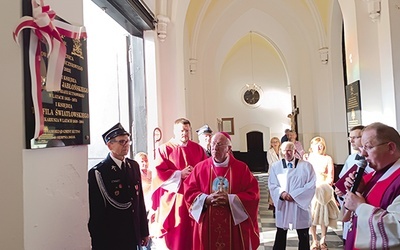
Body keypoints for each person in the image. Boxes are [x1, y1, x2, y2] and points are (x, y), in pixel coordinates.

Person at [184, 132, 260, 250]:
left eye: (219, 145)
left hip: (233, 224)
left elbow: (253, 195)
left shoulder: (241, 169)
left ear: (228, 149)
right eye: (213, 144)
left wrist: (230, 199)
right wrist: (206, 199)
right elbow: (189, 191)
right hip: (207, 223)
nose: (214, 147)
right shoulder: (200, 168)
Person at [88, 123, 149, 250]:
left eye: (127, 141)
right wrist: (98, 243)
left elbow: (139, 202)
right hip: (112, 236)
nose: (126, 145)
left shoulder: (133, 166)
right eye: (121, 142)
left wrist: (144, 231)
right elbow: (96, 212)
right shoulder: (99, 172)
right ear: (109, 145)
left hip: (133, 233)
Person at [149, 118, 207, 250]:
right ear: (175, 131)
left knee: (193, 235)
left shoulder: (197, 149)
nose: (184, 133)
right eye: (181, 130)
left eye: (187, 130)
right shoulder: (164, 149)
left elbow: (206, 169)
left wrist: (196, 174)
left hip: (194, 198)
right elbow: (158, 174)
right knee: (177, 235)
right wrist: (179, 174)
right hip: (174, 200)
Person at [344, 122, 400, 249]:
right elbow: (347, 218)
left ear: (390, 147)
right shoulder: (371, 176)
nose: (363, 154)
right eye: (362, 148)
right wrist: (358, 191)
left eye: (368, 147)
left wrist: (359, 207)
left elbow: (396, 228)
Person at [268, 141, 316, 250]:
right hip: (284, 204)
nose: (287, 153)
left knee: (303, 235)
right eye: (284, 151)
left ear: (294, 151)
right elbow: (272, 184)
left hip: (299, 205)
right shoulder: (276, 167)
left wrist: (294, 195)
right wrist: (282, 194)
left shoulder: (306, 166)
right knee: (281, 234)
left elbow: (311, 185)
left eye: (289, 150)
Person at [334, 125, 373, 245]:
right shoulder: (351, 158)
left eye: (355, 137)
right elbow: (342, 181)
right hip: (349, 206)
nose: (351, 141)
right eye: (350, 138)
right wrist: (340, 192)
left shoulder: (373, 159)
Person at [304, 136, 340, 250]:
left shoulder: (327, 158)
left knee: (324, 215)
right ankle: (314, 240)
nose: (320, 147)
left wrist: (325, 187)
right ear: (312, 146)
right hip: (311, 189)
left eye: (321, 145)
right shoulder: (307, 158)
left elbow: (331, 176)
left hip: (324, 190)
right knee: (312, 215)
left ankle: (323, 239)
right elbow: (304, 174)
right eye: (317, 145)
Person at [266, 137, 281, 216]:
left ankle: (281, 208)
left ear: (279, 143)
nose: (275, 143)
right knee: (273, 191)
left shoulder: (282, 151)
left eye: (276, 142)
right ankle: (274, 208)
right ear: (271, 144)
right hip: (273, 173)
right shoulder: (270, 152)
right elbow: (271, 163)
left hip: (282, 173)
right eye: (273, 142)